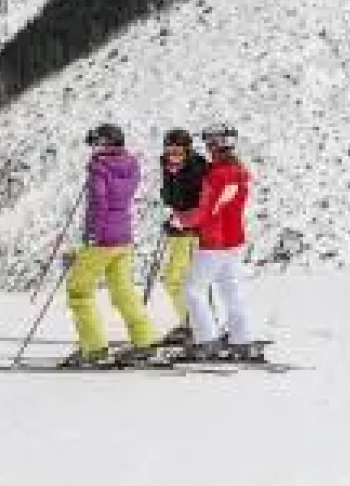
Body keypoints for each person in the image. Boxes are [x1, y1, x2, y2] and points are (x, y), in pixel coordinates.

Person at [62, 124, 158, 368]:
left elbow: (99, 204)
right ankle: (144, 341)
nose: (93, 147)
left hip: (103, 239)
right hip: (124, 236)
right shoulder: (131, 165)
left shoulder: (99, 169)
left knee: (79, 291)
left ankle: (94, 348)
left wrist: (93, 234)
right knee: (123, 291)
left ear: (105, 143)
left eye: (96, 142)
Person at [170, 123, 261, 362]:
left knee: (192, 290)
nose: (208, 148)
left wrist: (179, 221)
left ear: (218, 145)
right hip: (234, 239)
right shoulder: (239, 171)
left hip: (214, 242)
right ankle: (242, 340)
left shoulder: (217, 175)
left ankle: (206, 340)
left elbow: (206, 210)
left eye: (210, 143)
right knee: (231, 291)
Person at [157, 127, 209, 345]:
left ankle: (196, 325)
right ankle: (190, 322)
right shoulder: (170, 168)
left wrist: (186, 223)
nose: (173, 156)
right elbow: (173, 199)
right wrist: (173, 220)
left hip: (193, 232)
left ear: (188, 151)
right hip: (180, 229)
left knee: (179, 279)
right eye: (169, 151)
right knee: (174, 279)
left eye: (178, 151)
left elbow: (203, 205)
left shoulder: (197, 169)